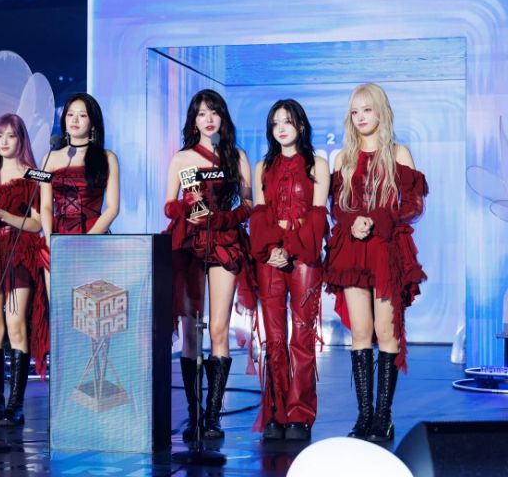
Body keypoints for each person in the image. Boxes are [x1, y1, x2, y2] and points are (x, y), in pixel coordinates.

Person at [324, 83, 428, 442]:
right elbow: (337, 207)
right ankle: (364, 416)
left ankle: (383, 417)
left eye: (367, 109)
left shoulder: (399, 152)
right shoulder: (343, 158)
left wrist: (378, 220)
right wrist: (352, 221)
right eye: (354, 112)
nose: (360, 117)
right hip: (352, 250)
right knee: (360, 332)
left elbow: (414, 205)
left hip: (385, 249)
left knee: (386, 331)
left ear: (381, 112)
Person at [164, 89, 254, 441]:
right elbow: (169, 205)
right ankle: (194, 414)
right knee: (190, 330)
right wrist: (188, 208)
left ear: (223, 117)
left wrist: (223, 218)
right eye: (202, 113)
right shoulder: (183, 158)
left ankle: (213, 417)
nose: (208, 119)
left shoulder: (236, 156)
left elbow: (248, 205)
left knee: (218, 329)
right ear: (194, 121)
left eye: (214, 112)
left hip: (225, 240)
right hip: (188, 243)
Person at [250, 99, 329, 441]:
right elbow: (259, 215)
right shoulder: (263, 166)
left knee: (302, 336)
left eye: (287, 121)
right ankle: (275, 412)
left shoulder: (317, 164)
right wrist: (272, 250)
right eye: (275, 123)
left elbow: (317, 215)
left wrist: (290, 249)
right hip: (270, 258)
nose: (281, 128)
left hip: (304, 256)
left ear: (301, 125)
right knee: (274, 339)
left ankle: (300, 414)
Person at [0, 114, 49, 426]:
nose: (4, 141)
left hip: (19, 252)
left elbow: (37, 223)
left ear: (21, 139)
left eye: (11, 135)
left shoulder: (36, 175)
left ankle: (15, 404)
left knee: (16, 325)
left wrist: (3, 214)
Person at [39, 93, 119, 295]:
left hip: (93, 238)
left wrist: (87, 241)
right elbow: (46, 206)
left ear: (92, 122)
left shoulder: (107, 158)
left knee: (88, 306)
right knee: (59, 307)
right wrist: (49, 239)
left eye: (82, 115)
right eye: (70, 114)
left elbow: (113, 208)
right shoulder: (49, 158)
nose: (74, 120)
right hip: (57, 240)